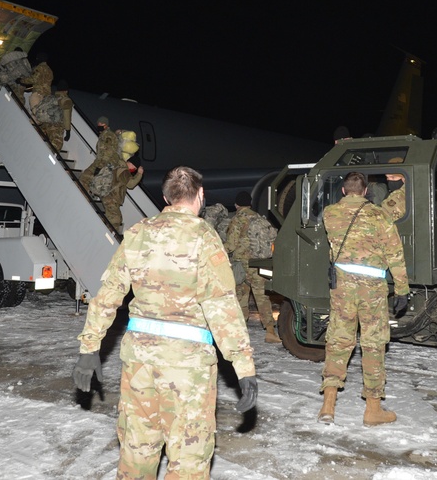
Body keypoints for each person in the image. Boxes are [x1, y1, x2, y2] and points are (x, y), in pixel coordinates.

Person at [72, 166, 257, 479]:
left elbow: (108, 296)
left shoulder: (138, 232)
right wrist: (244, 366)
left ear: (165, 197)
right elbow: (222, 305)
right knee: (188, 461)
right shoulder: (205, 238)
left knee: (136, 454)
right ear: (200, 196)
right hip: (188, 372)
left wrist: (89, 348)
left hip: (140, 368)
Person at [318, 171, 408, 426]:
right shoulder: (380, 216)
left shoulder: (330, 214)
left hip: (342, 288)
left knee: (338, 340)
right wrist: (402, 289)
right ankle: (373, 410)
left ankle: (328, 406)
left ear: (344, 191)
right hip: (372, 290)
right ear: (366, 191)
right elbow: (395, 255)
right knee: (373, 344)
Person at [224, 191, 281, 344]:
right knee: (262, 298)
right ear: (250, 204)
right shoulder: (259, 218)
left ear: (236, 205)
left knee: (241, 297)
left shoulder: (237, 220)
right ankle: (270, 331)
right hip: (258, 264)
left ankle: (240, 332)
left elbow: (231, 245)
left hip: (241, 266)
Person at [78, 116, 123, 192]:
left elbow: (108, 153)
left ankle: (84, 197)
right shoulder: (103, 135)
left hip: (104, 164)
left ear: (106, 125)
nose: (99, 125)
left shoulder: (108, 135)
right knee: (85, 179)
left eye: (101, 123)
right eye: (98, 123)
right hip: (100, 162)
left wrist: (99, 167)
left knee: (85, 178)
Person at [101, 160, 145, 237]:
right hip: (111, 198)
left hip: (110, 197)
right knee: (115, 219)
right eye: (134, 167)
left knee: (115, 218)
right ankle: (110, 237)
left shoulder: (119, 167)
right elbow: (130, 184)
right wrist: (139, 174)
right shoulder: (124, 171)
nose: (134, 170)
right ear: (130, 163)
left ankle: (107, 233)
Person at [380, 157, 407, 221]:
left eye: (393, 177)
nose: (389, 180)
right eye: (387, 177)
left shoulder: (399, 195)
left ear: (404, 179)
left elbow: (383, 218)